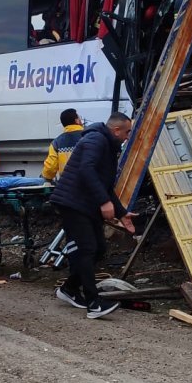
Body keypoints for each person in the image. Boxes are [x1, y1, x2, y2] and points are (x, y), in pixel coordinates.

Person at [48, 112, 136, 319]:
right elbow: (86, 170)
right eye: (127, 132)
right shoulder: (96, 139)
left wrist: (122, 213)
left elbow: (105, 185)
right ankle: (94, 304)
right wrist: (104, 202)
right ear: (116, 130)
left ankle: (69, 289)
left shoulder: (107, 145)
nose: (128, 137)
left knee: (99, 249)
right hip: (72, 203)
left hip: (85, 204)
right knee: (87, 249)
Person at [41, 108, 85, 182]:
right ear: (76, 121)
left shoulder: (56, 143)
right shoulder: (89, 136)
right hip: (88, 182)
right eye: (79, 118)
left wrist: (46, 177)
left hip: (67, 184)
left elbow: (50, 168)